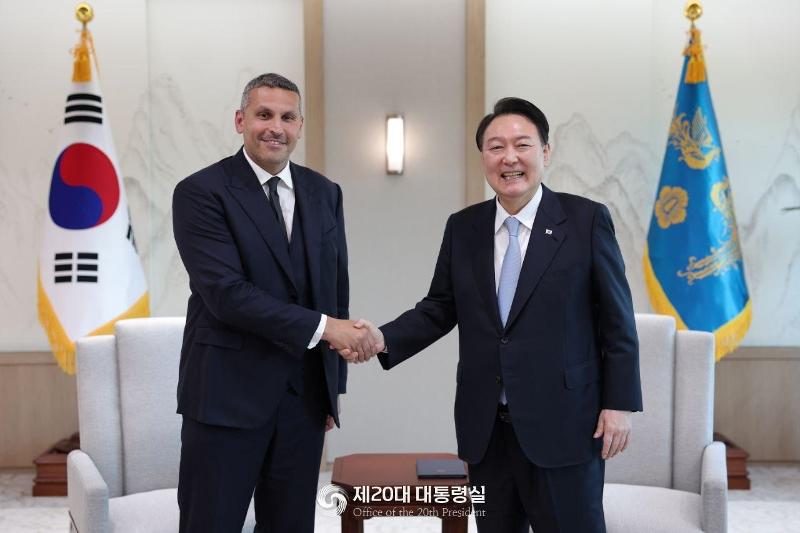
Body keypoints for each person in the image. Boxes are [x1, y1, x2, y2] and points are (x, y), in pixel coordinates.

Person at [353, 97, 642, 532]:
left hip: (565, 424)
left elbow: (618, 322)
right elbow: (439, 307)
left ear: (545, 152)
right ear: (483, 157)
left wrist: (618, 404)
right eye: (495, 147)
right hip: (487, 429)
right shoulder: (463, 227)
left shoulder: (585, 221)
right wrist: (381, 338)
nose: (509, 158)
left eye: (522, 145)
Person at [172, 73, 379, 532]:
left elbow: (334, 291)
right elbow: (227, 296)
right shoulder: (200, 192)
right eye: (264, 115)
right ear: (240, 120)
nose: (275, 127)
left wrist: (331, 389)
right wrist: (328, 328)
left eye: (287, 117)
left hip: (302, 401)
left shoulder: (326, 192)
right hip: (225, 399)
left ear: (300, 126)